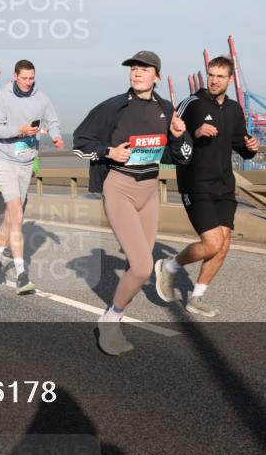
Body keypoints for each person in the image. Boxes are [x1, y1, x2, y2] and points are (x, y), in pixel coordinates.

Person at [74, 51, 193, 355]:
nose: (137, 74)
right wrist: (108, 152)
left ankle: (115, 313)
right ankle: (111, 319)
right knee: (142, 267)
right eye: (133, 69)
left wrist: (179, 138)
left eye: (144, 69)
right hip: (120, 188)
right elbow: (80, 142)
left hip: (150, 190)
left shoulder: (168, 109)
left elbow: (182, 157)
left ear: (157, 76)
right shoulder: (114, 107)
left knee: (133, 265)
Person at [154, 55, 259, 318]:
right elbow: (171, 138)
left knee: (223, 246)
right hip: (195, 181)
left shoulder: (234, 109)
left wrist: (250, 148)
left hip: (224, 184)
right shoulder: (192, 103)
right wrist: (195, 133)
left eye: (220, 76)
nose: (214, 80)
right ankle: (169, 266)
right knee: (212, 243)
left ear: (230, 79)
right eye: (211, 74)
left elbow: (240, 145)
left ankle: (196, 297)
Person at [0, 59, 64, 295]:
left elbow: (52, 120)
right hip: (5, 162)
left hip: (26, 163)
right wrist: (20, 130)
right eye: (24, 78)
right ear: (15, 76)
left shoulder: (42, 98)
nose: (28, 83)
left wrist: (56, 136)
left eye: (32, 78)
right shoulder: (2, 98)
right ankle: (22, 274)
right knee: (18, 215)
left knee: (11, 218)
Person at [0, 132, 40, 285]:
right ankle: (21, 273)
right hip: (1, 185)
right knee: (6, 219)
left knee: (14, 221)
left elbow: (34, 156)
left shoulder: (29, 134)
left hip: (21, 186)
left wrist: (33, 168)